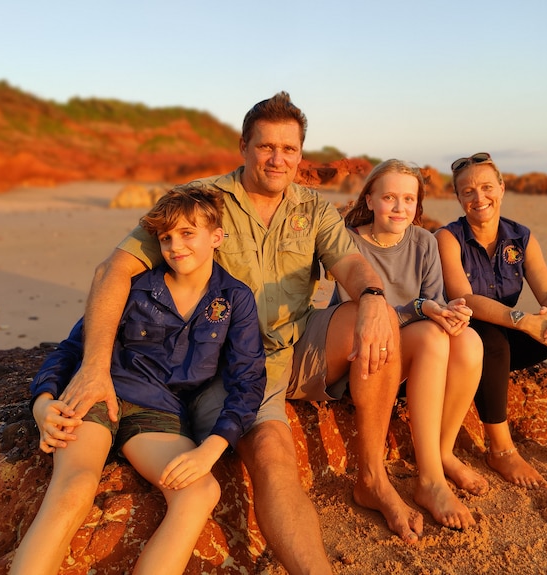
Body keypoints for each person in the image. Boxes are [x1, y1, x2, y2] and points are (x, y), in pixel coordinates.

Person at [48, 92, 423, 574]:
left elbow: (349, 263)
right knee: (271, 452)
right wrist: (95, 368)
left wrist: (372, 297)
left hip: (296, 344)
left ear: (300, 153)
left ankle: (372, 476)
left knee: (379, 316)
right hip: (227, 361)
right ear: (243, 146)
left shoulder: (313, 208)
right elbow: (112, 271)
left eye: (289, 149)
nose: (278, 158)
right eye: (266, 146)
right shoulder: (203, 202)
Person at [11, 187, 266, 575]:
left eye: (187, 234)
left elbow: (248, 380)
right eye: (166, 238)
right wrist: (42, 403)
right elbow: (70, 349)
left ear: (216, 237)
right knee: (75, 487)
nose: (175, 246)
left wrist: (211, 448)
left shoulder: (235, 299)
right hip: (102, 393)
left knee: (201, 491)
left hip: (160, 411)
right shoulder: (134, 285)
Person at [435, 152, 547, 489]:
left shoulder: (521, 238)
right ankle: (501, 450)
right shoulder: (448, 238)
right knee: (488, 338)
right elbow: (465, 299)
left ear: (502, 189)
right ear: (458, 197)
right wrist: (524, 320)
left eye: (487, 187)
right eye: (469, 191)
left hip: (510, 336)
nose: (480, 198)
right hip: (467, 345)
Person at [332, 159, 487, 529]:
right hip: (361, 351)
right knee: (432, 333)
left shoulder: (425, 241)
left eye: (409, 199)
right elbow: (355, 314)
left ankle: (441, 454)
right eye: (389, 197)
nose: (400, 207)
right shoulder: (348, 242)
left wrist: (452, 314)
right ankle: (430, 482)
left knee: (468, 340)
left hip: (412, 346)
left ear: (418, 205)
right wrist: (423, 310)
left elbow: (432, 304)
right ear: (369, 199)